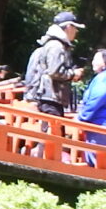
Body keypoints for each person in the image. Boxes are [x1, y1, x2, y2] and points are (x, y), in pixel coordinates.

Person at [22, 10, 83, 163]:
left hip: (49, 95)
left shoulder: (52, 43)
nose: (76, 31)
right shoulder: (56, 45)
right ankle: (45, 165)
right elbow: (55, 71)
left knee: (49, 132)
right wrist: (72, 73)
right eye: (75, 28)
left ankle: (41, 162)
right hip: (50, 96)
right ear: (68, 27)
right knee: (53, 133)